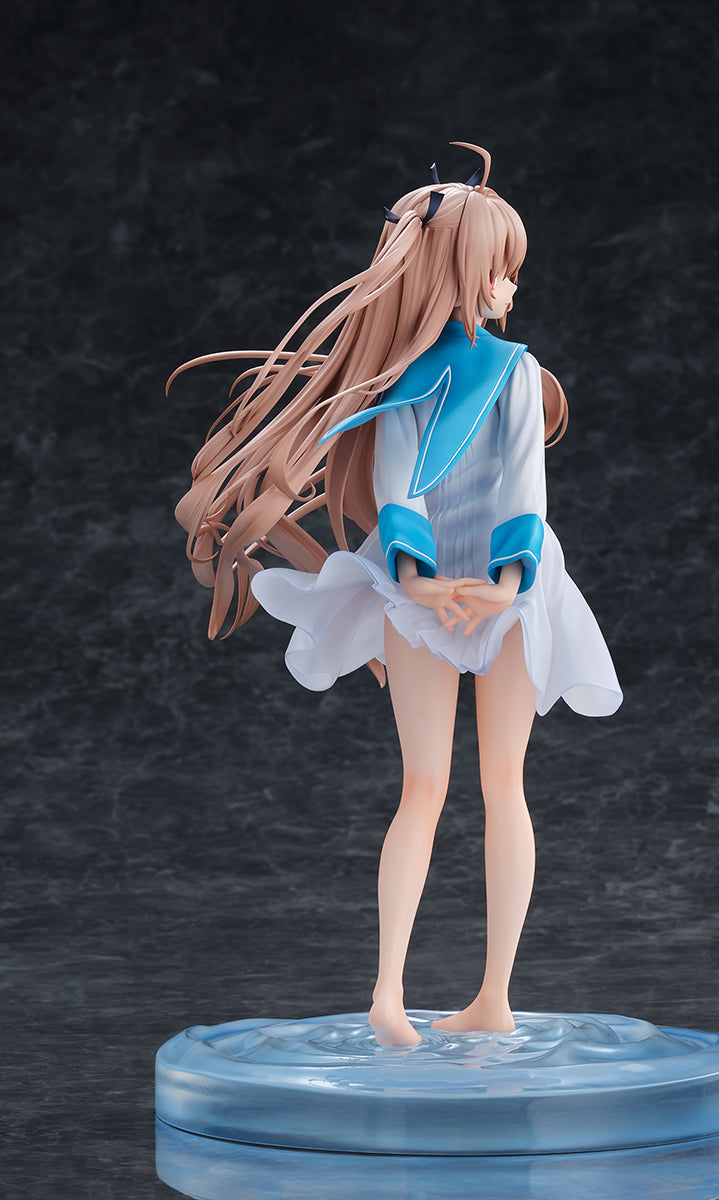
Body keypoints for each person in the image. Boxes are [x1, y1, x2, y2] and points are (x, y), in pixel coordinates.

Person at [171, 143, 623, 1047]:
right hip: (440, 591)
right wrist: (424, 578)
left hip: (492, 592)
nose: (509, 286)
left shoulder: (498, 371)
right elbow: (407, 486)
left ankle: (482, 996)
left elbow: (518, 489)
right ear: (465, 272)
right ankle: (390, 991)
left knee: (479, 785)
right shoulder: (427, 379)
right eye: (499, 269)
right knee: (444, 785)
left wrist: (494, 583)